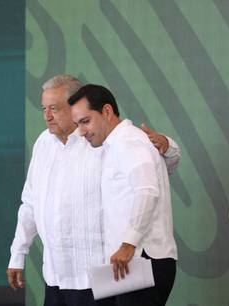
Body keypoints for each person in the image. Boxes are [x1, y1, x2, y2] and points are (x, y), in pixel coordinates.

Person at [7, 75, 180, 306]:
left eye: (55, 108)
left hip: (99, 274)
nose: (47, 116)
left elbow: (150, 177)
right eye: (44, 108)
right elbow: (30, 203)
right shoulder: (43, 144)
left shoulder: (105, 141)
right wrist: (18, 253)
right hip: (56, 273)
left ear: (76, 107)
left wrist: (167, 146)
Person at [68, 84, 177, 306]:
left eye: (86, 121)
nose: (81, 131)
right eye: (77, 124)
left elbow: (147, 190)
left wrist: (129, 243)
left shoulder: (128, 141)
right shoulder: (115, 145)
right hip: (126, 263)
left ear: (107, 111)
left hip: (143, 260)